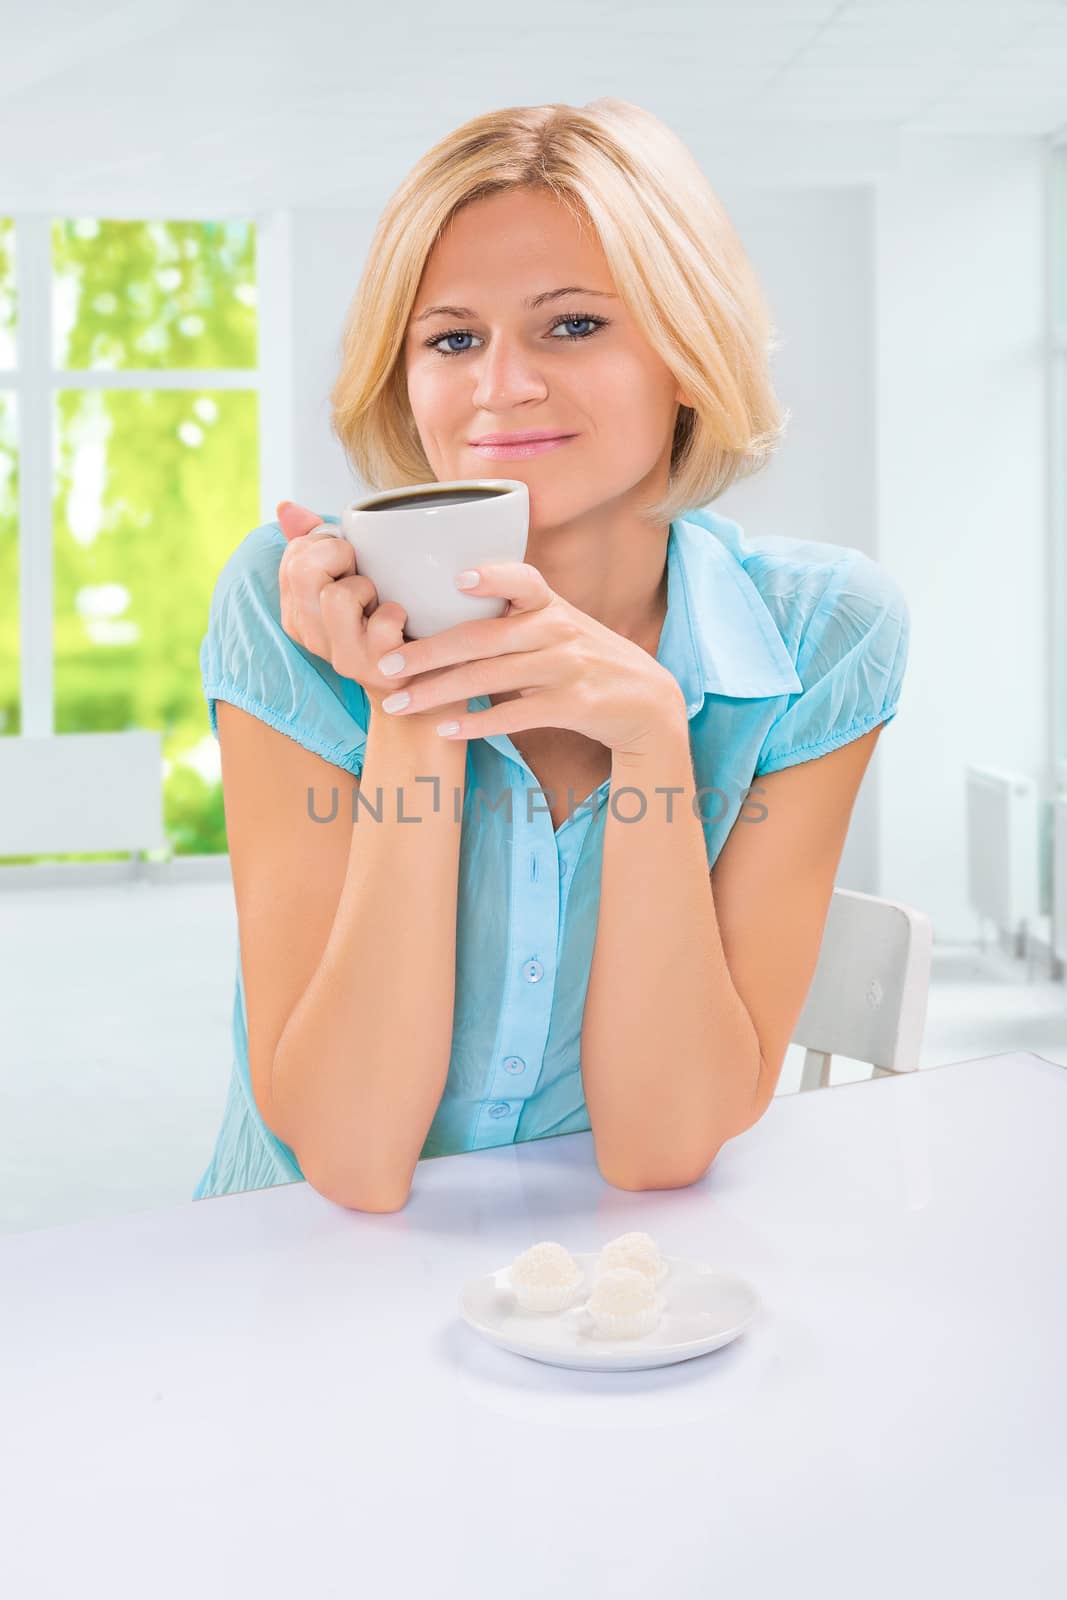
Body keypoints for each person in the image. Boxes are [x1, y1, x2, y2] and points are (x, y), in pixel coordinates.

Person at [192, 98, 909, 1212]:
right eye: (451, 338)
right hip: (296, 1274)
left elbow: (660, 1146)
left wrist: (651, 741)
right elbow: (349, 1156)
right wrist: (411, 686)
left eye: (571, 325)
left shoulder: (824, 635)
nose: (500, 386)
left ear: (685, 351)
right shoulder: (290, 603)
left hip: (606, 1277)